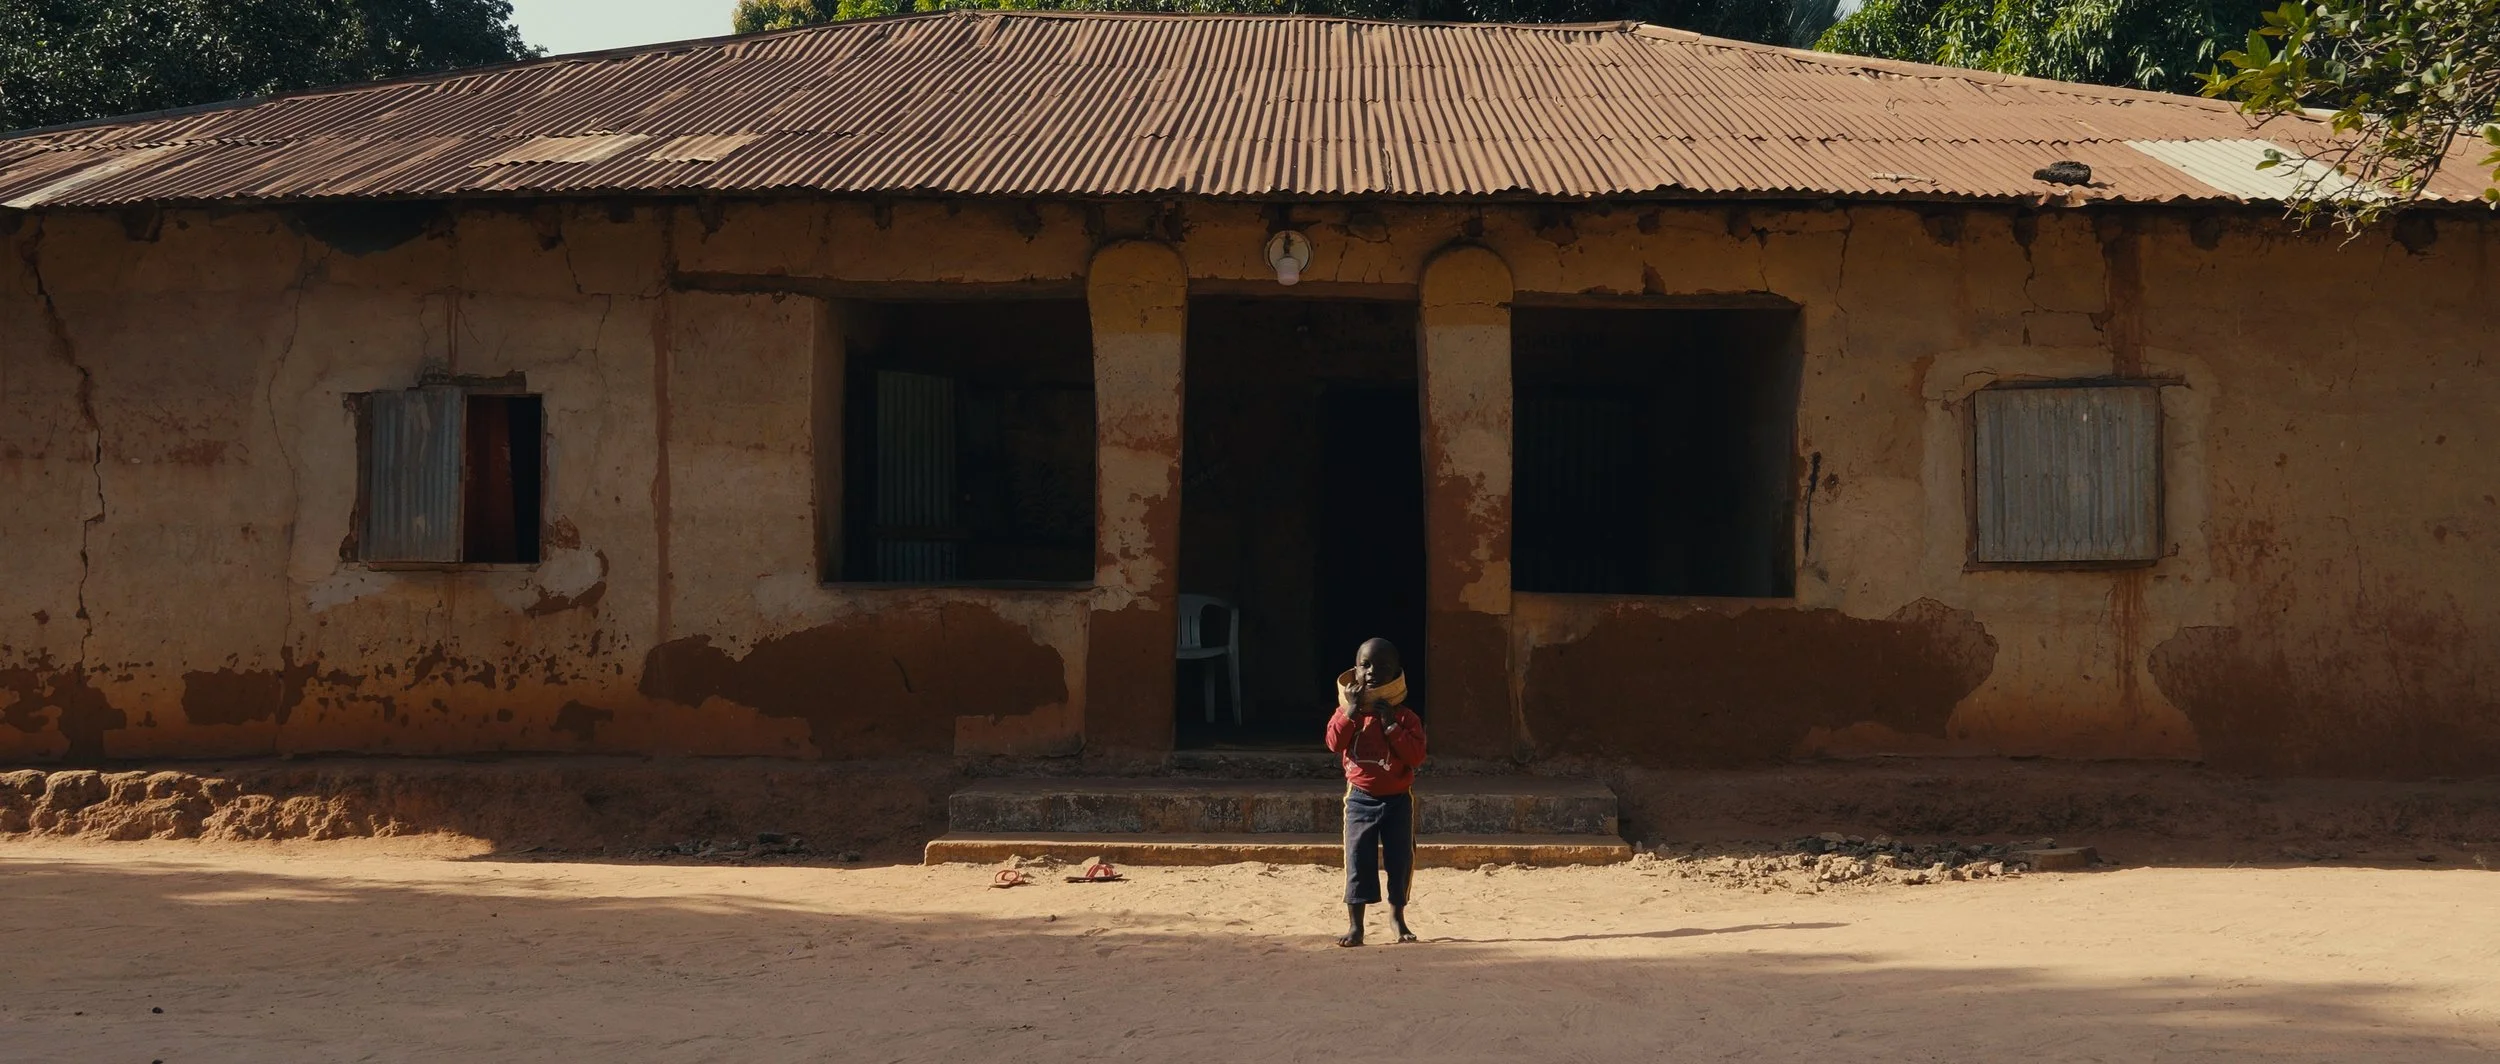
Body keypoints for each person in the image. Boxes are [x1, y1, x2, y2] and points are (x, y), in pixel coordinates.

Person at [1324, 637, 1427, 947]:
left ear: (1396, 674)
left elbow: (1416, 757)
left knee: (1400, 859)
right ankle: (1356, 925)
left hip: (1398, 799)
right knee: (1357, 860)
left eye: (1382, 666)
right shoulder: (1348, 714)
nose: (1372, 671)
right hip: (1359, 798)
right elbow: (1333, 743)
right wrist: (1351, 711)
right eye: (1365, 665)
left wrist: (1391, 725)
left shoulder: (1406, 718)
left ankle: (1397, 917)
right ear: (1355, 671)